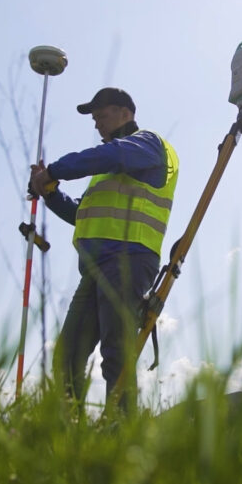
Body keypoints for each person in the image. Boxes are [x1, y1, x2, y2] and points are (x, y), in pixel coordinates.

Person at [29, 87, 179, 411]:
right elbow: (81, 213)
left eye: (102, 115)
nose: (97, 124)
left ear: (126, 112)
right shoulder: (109, 166)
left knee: (116, 354)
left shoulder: (146, 145)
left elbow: (111, 155)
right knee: (67, 355)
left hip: (128, 259)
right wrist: (50, 191)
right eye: (94, 119)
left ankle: (122, 437)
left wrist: (53, 171)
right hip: (98, 267)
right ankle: (69, 435)